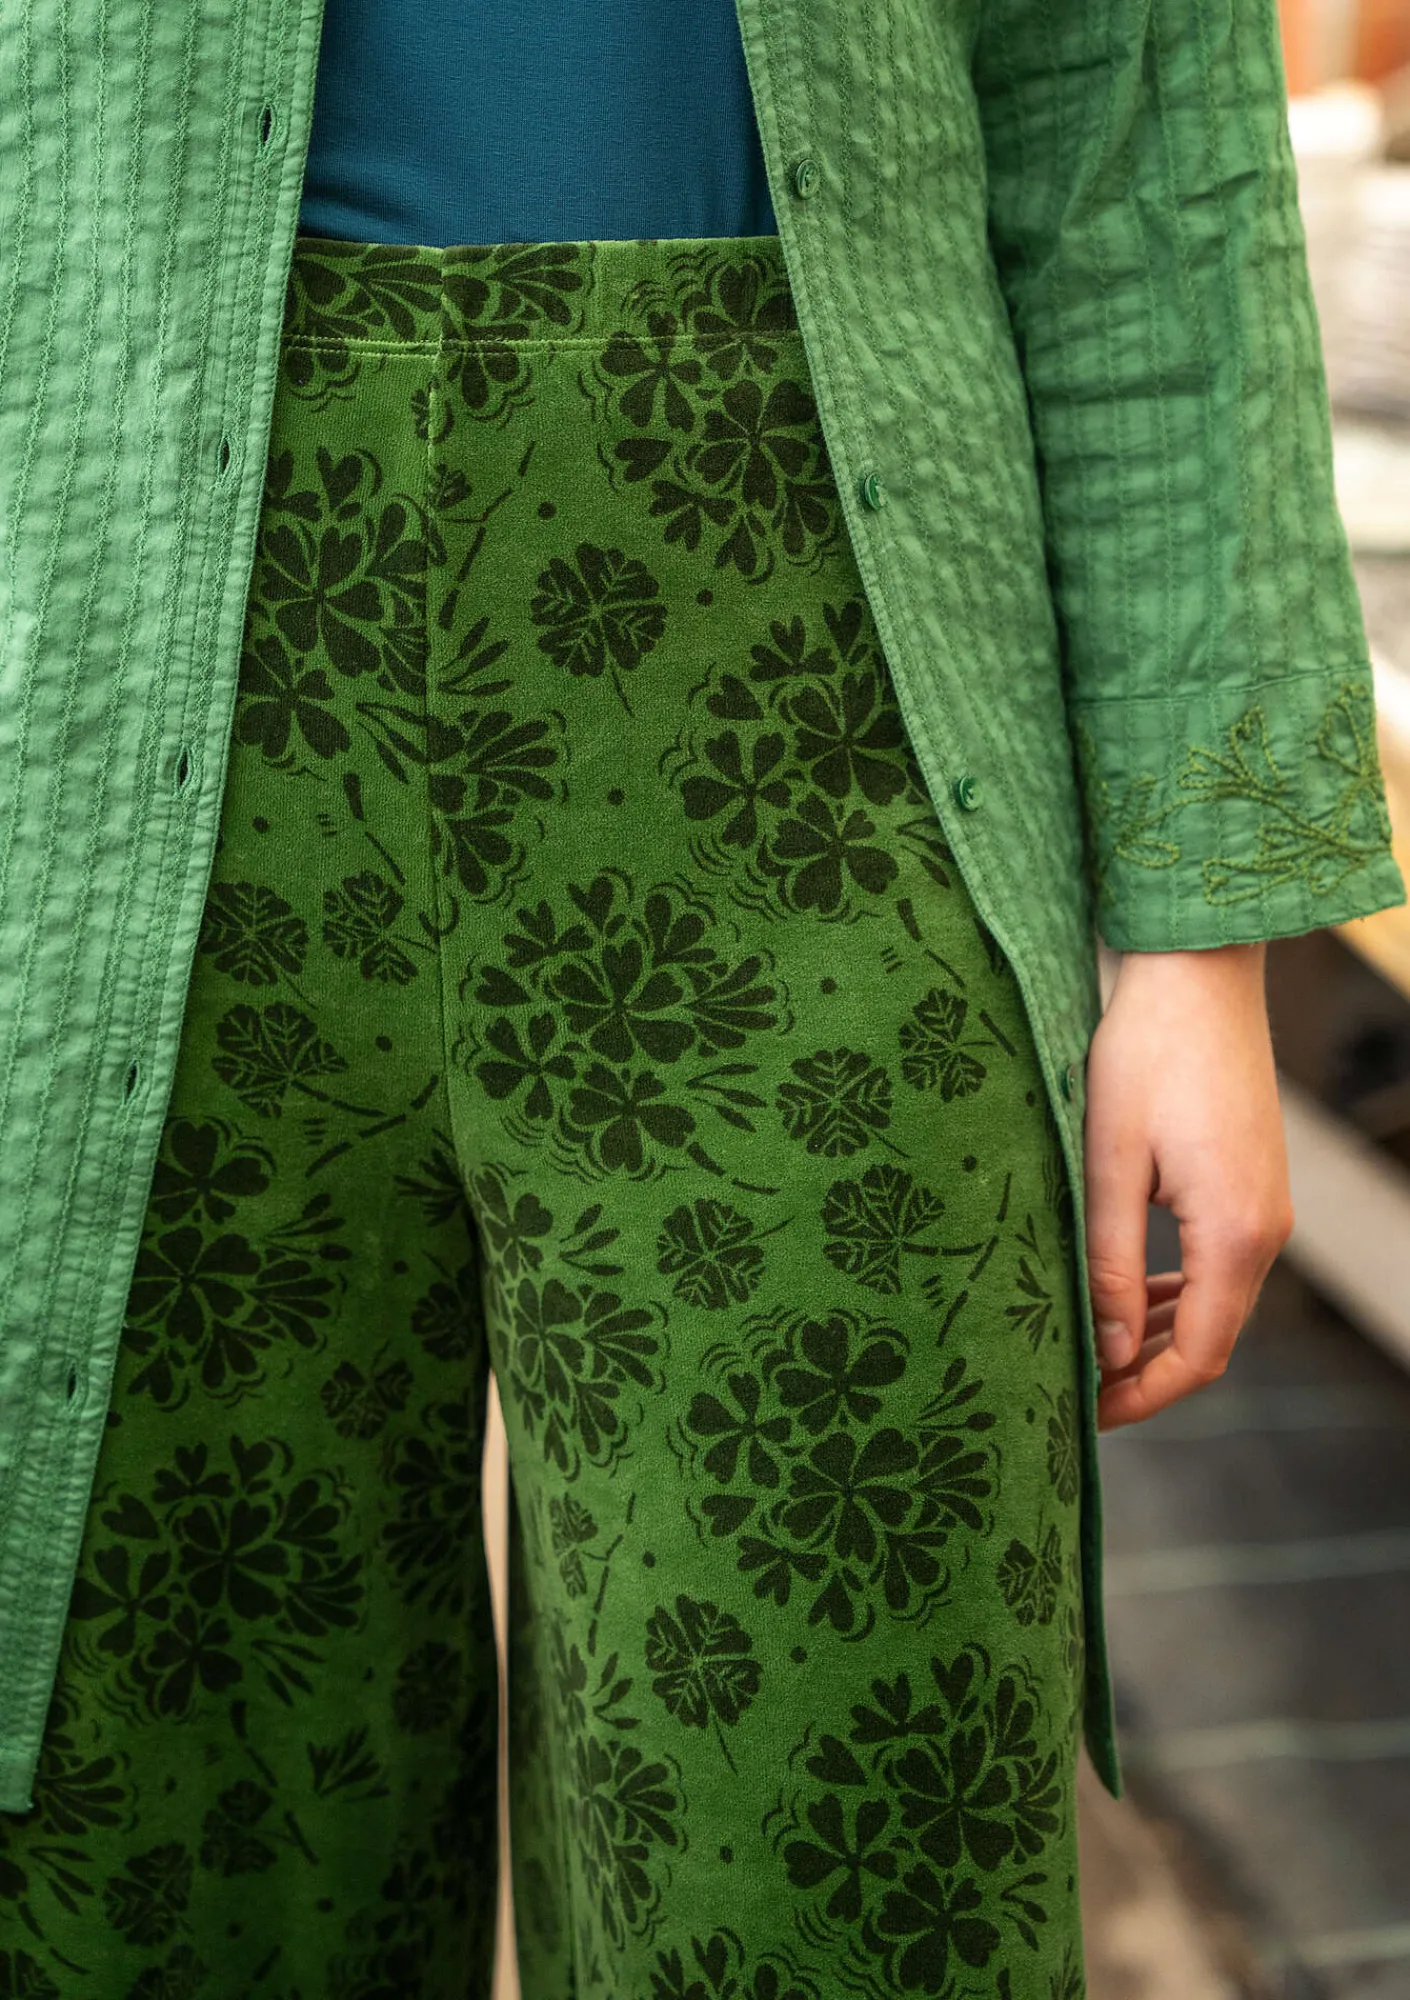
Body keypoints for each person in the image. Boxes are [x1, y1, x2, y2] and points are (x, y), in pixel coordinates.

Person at [0, 0, 1401, 1993]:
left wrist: (1199, 936)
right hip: (101, 767)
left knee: (840, 1836)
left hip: (819, 772)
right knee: (143, 1846)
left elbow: (1137, 127)